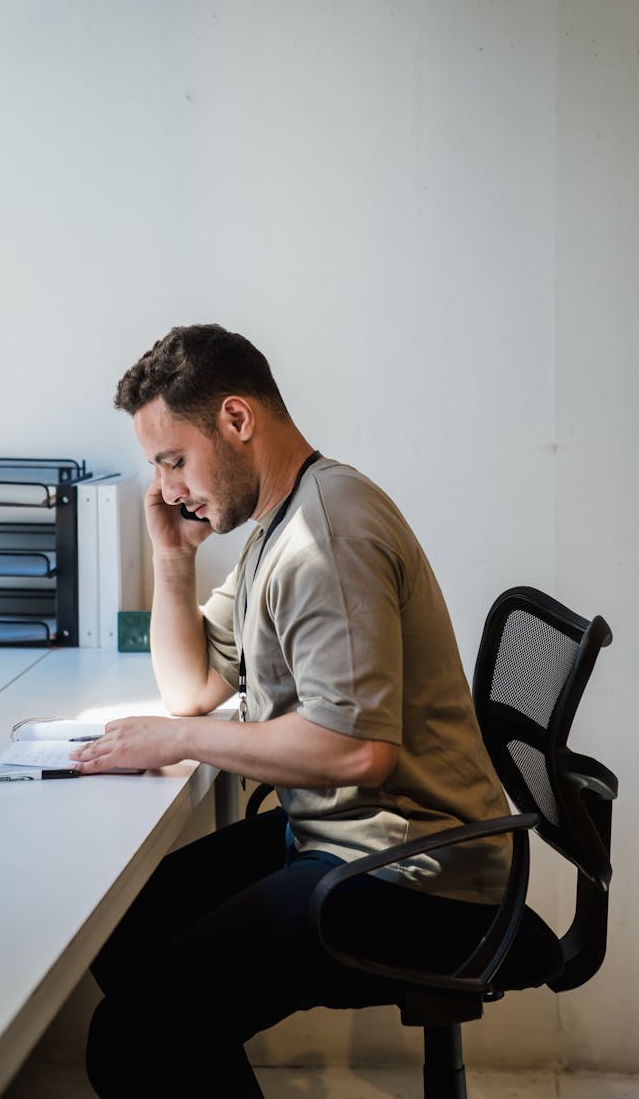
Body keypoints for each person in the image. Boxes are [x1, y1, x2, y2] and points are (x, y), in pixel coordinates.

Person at [72, 322, 513, 1097]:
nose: (168, 486)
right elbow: (194, 688)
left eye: (173, 459)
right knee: (123, 931)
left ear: (237, 420)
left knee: (134, 1035)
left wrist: (179, 739)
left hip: (415, 872)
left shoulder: (325, 535)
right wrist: (174, 559)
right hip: (346, 832)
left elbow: (355, 751)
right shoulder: (278, 524)